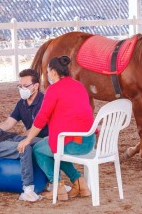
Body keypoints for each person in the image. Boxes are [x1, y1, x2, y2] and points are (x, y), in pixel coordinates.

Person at [17, 55, 95, 201]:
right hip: (89, 141)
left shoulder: (54, 90)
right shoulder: (79, 85)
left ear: (53, 72)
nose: (47, 75)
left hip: (73, 143)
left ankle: (58, 188)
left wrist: (28, 140)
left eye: (47, 72)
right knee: (54, 146)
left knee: (39, 149)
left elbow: (41, 118)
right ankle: (80, 183)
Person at [0, 69, 48, 138]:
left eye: (25, 86)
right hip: (30, 139)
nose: (22, 89)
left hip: (46, 140)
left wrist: (21, 138)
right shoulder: (21, 103)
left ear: (36, 86)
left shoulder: (46, 102)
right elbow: (8, 123)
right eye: (20, 86)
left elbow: (38, 128)